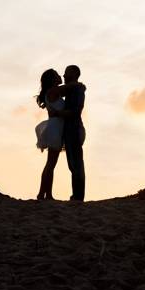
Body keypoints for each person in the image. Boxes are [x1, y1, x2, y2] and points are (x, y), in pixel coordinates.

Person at [34, 66, 86, 201]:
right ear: (52, 79)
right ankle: (43, 194)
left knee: (51, 163)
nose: (61, 76)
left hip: (56, 127)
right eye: (57, 74)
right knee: (51, 164)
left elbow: (67, 89)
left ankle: (45, 194)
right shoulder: (54, 90)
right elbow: (70, 87)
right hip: (56, 128)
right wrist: (79, 84)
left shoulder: (53, 91)